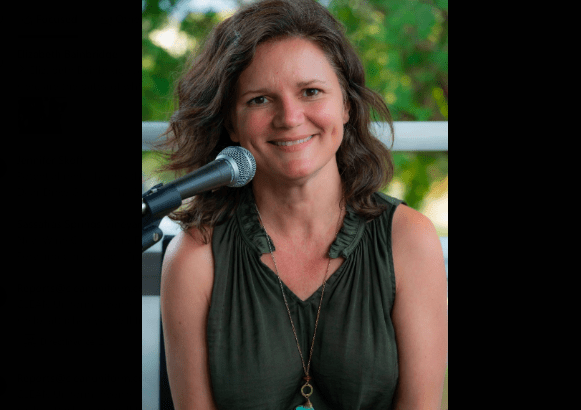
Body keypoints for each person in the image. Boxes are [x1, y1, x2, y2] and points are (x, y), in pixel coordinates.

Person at [158, 0, 447, 409]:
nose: (290, 118)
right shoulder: (194, 257)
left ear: (346, 105)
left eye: (311, 92)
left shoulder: (409, 239)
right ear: (231, 123)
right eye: (259, 99)